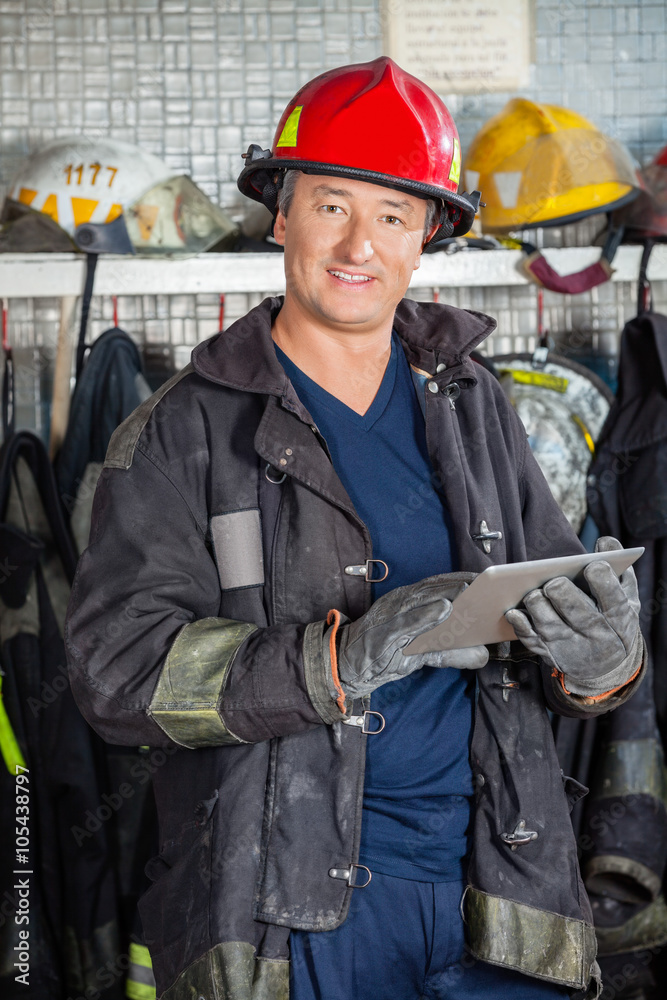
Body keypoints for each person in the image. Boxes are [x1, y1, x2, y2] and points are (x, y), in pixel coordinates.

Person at [65, 57, 645, 1000]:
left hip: (498, 887)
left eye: (392, 215)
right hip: (288, 912)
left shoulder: (472, 403)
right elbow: (115, 673)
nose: (357, 244)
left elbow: (553, 605)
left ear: (427, 238)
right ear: (281, 215)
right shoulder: (185, 429)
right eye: (331, 205)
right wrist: (335, 661)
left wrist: (600, 666)